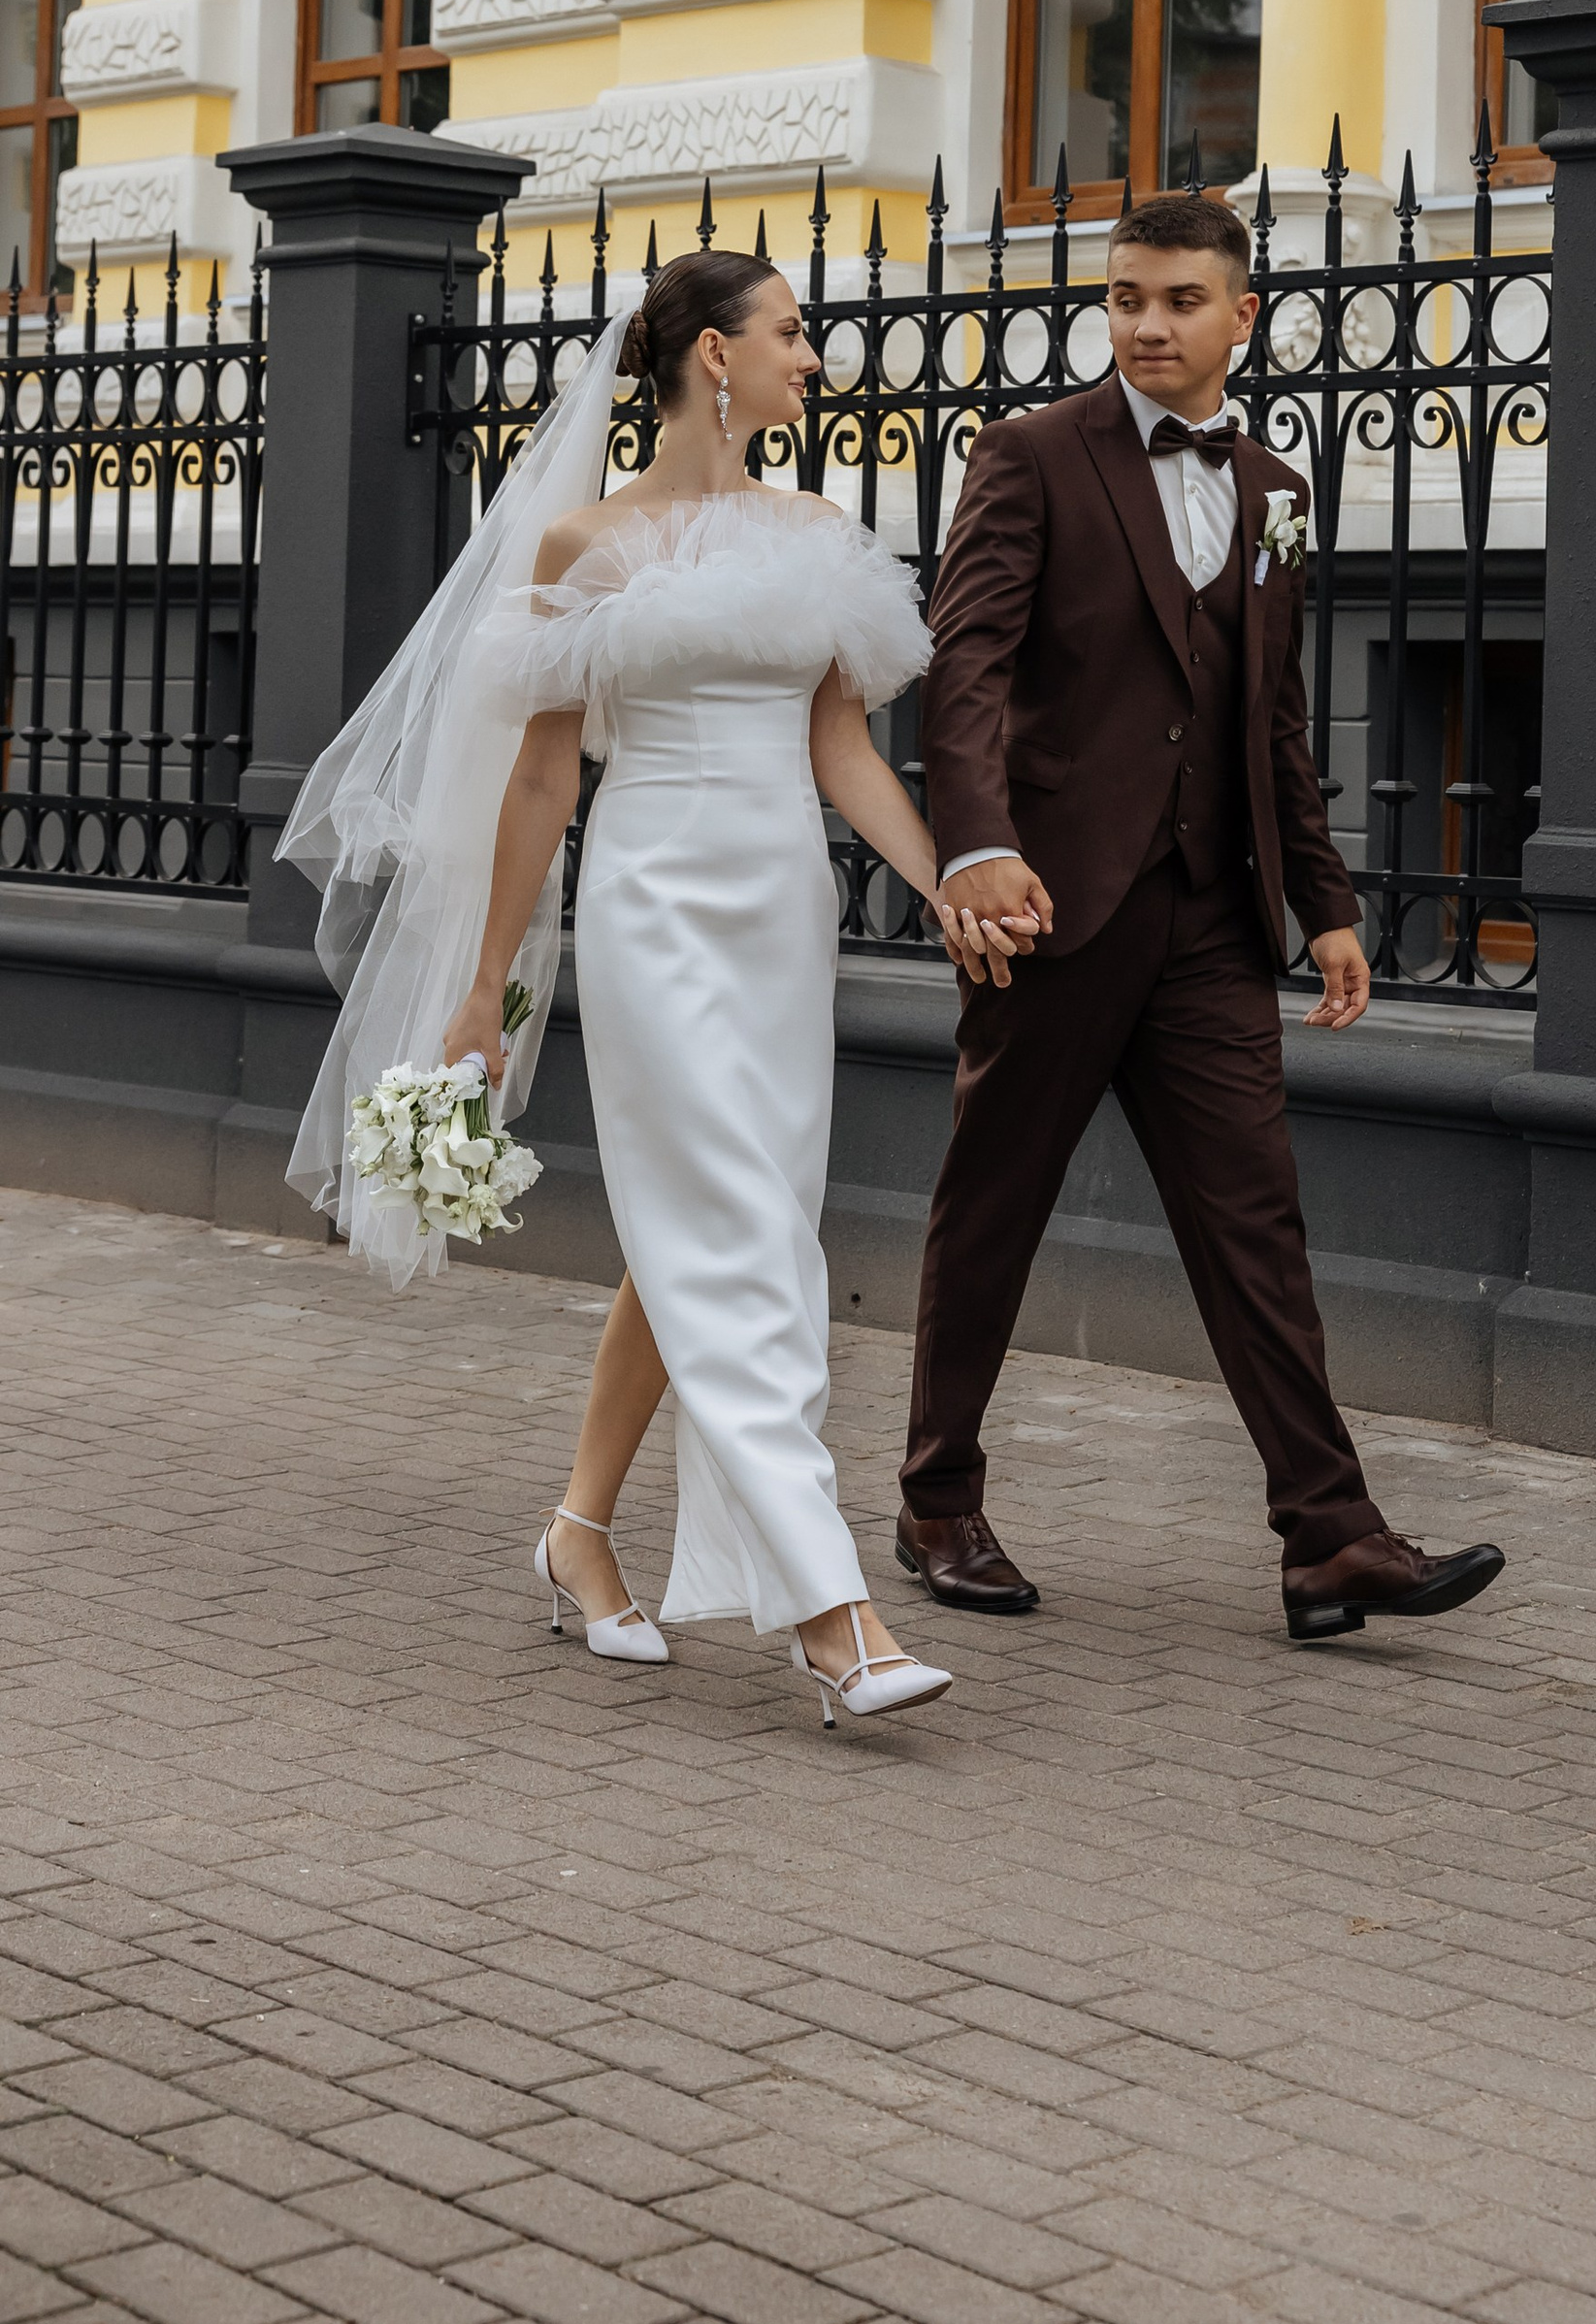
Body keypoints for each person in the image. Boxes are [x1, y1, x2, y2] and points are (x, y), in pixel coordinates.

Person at [283, 248, 991, 1730]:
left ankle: (580, 1532)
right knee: (738, 1235)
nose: (817, 358)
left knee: (726, 1222)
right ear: (710, 357)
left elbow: (844, 750)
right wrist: (484, 988)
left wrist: (945, 883)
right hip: (653, 897)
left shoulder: (819, 531)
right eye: (792, 334)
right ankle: (829, 1612)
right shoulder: (582, 547)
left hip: (782, 910)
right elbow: (544, 776)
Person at [902, 188, 1507, 1644]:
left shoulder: (1277, 490)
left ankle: (1329, 1538)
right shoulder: (1030, 456)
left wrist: (1328, 900)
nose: (1148, 324)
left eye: (1179, 301)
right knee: (995, 1205)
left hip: (1210, 923)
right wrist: (973, 851)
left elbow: (1272, 718)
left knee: (1256, 1226)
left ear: (1243, 316)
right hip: (1052, 907)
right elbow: (964, 668)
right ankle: (937, 1498)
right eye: (1125, 299)